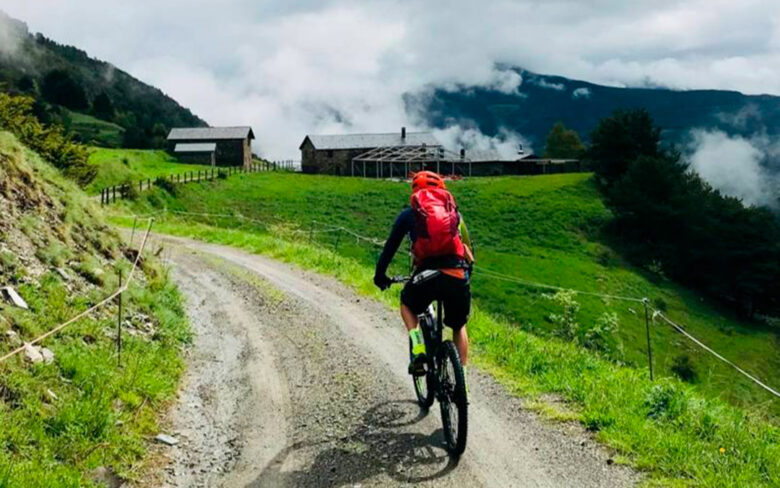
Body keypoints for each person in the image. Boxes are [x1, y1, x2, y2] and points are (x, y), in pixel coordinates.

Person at [373, 171, 474, 384]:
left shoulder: (409, 214)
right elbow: (468, 247)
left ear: (415, 191)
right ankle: (461, 382)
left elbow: (390, 248)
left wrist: (380, 275)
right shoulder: (455, 214)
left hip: (427, 275)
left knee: (407, 304)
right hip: (456, 273)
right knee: (458, 325)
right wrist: (466, 274)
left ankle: (418, 347)